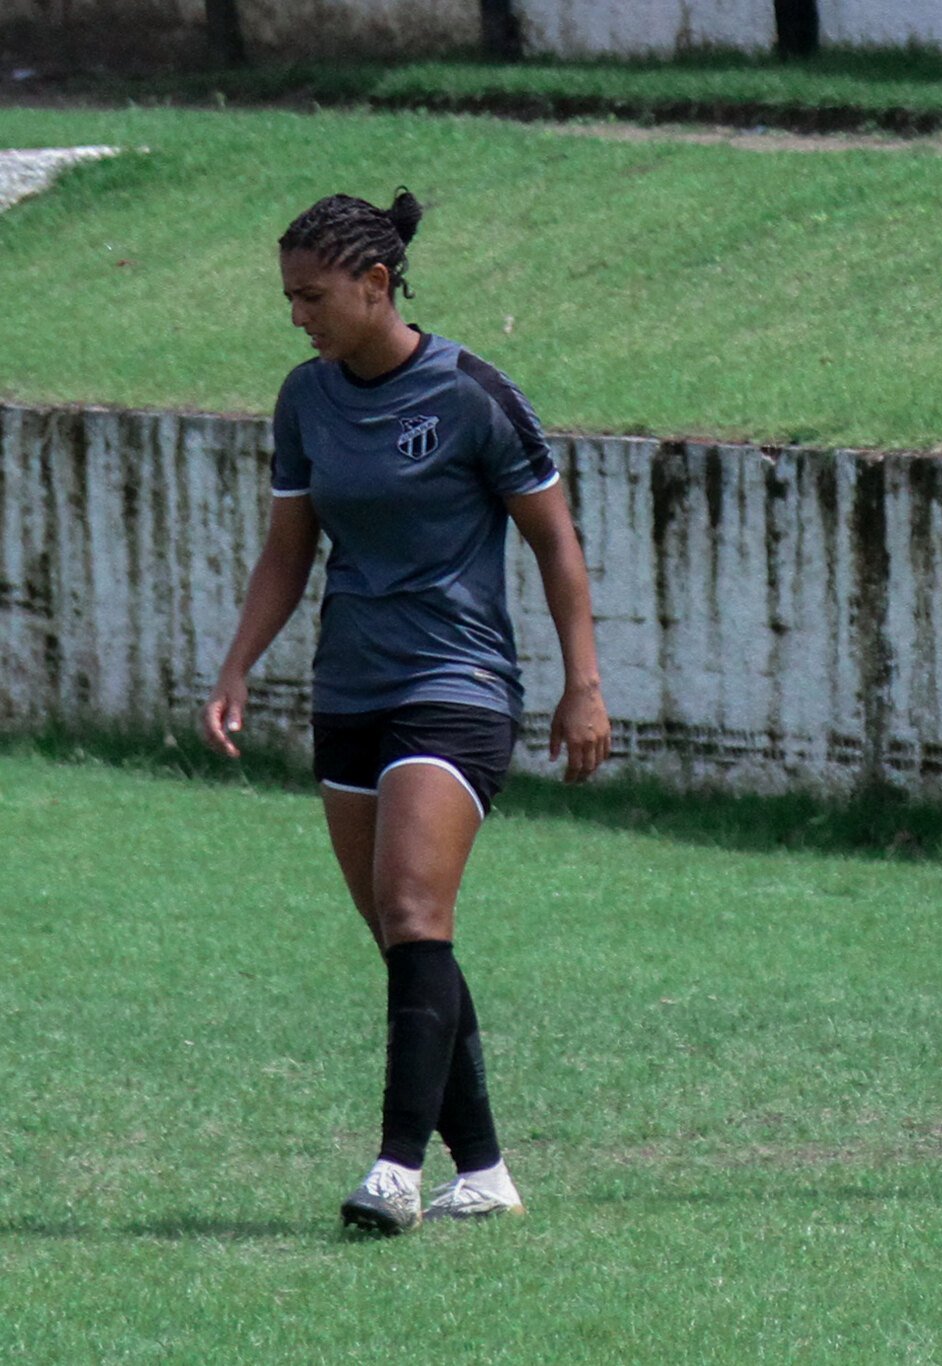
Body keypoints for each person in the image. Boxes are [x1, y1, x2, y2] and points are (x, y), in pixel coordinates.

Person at [199, 189, 611, 1234]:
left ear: (376, 285)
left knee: (419, 915)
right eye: (288, 296)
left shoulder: (472, 391)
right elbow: (289, 548)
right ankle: (483, 1169)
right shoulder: (306, 398)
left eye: (313, 295)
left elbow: (555, 542)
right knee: (404, 935)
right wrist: (238, 665)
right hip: (351, 689)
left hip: (458, 688)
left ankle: (394, 1168)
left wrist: (583, 684)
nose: (298, 314)